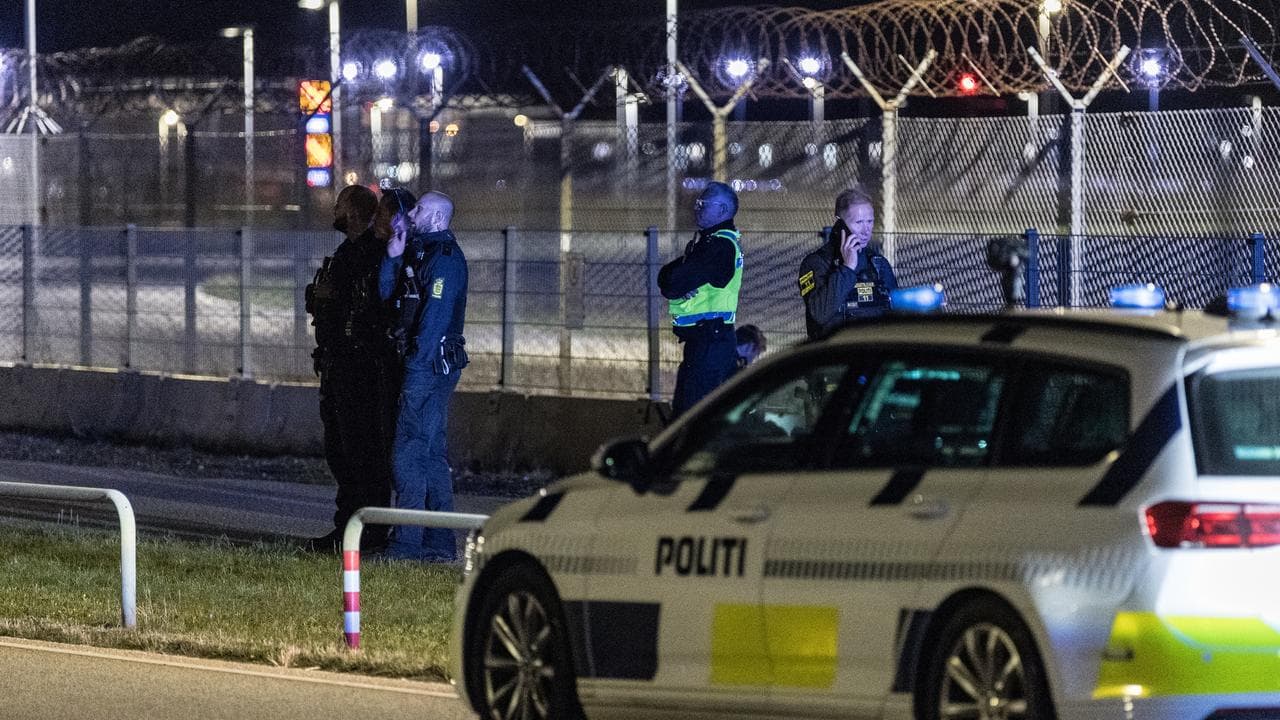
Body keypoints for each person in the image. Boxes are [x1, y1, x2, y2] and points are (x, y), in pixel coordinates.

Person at [304, 185, 399, 553]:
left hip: (361, 368)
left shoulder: (372, 255)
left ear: (356, 212)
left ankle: (367, 533)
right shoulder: (346, 252)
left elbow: (370, 307)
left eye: (341, 205)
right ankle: (347, 528)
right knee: (341, 453)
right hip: (337, 364)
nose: (335, 211)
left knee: (363, 454)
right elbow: (324, 298)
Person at [379, 191, 469, 563]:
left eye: (418, 210)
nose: (411, 214)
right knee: (430, 455)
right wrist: (393, 258)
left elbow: (433, 322)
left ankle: (406, 544)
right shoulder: (419, 253)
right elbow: (389, 295)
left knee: (407, 452)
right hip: (426, 366)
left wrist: (414, 368)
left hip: (428, 369)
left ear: (435, 218)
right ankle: (438, 544)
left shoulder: (444, 261)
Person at [658, 181, 744, 418]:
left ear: (723, 211)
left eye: (702, 204)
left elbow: (673, 281)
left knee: (691, 417)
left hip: (710, 344)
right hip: (709, 341)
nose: (696, 208)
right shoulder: (710, 242)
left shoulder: (718, 246)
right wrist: (672, 278)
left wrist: (673, 279)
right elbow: (668, 275)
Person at [797, 187, 898, 339]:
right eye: (859, 222)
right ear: (840, 225)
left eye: (870, 221)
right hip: (835, 355)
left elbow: (896, 314)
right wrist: (847, 268)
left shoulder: (877, 263)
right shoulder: (816, 263)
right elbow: (820, 313)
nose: (866, 230)